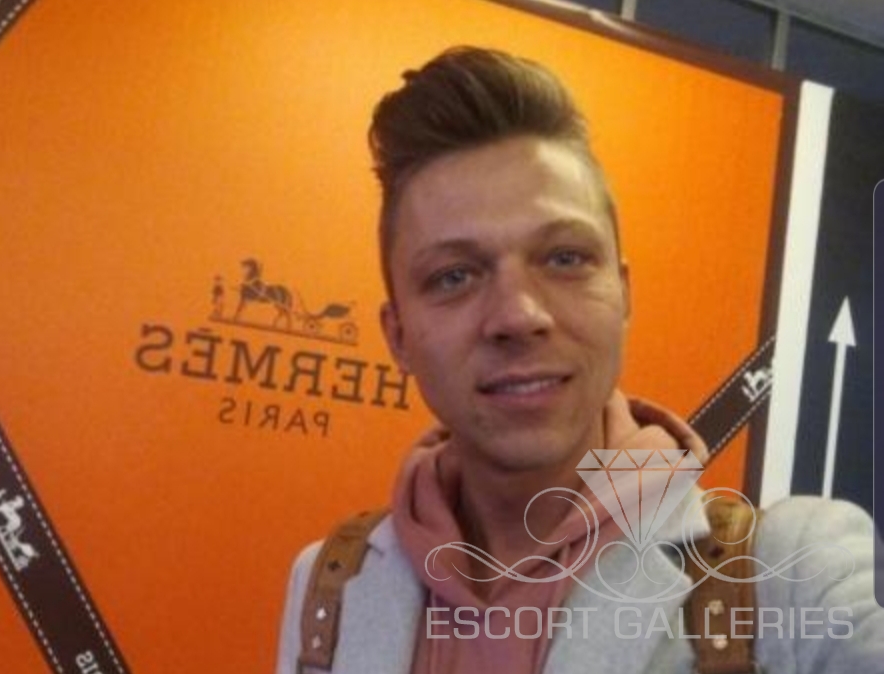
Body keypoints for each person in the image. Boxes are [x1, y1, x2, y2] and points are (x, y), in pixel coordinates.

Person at [275, 46, 883, 673]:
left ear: (624, 293)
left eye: (565, 258)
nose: (519, 315)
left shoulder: (792, 573)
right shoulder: (328, 587)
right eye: (454, 275)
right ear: (398, 336)